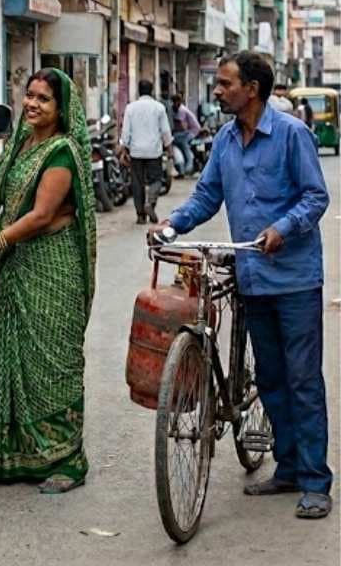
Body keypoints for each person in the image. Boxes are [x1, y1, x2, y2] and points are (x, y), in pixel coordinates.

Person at [154, 52, 331, 520]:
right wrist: (173, 225)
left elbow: (316, 196)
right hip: (251, 279)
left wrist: (283, 228)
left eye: (226, 83)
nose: (217, 90)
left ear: (251, 89)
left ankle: (316, 480)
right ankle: (288, 466)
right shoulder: (226, 142)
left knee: (303, 380)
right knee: (271, 379)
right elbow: (208, 195)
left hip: (294, 279)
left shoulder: (292, 134)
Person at [0, 68, 97, 494]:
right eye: (29, 95)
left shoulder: (61, 151)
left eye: (44, 99)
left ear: (61, 108)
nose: (32, 104)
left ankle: (68, 459)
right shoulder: (22, 145)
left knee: (52, 365)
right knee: (17, 359)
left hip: (53, 268)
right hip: (19, 267)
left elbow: (40, 216)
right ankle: (19, 454)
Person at [118, 79, 173, 224]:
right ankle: (151, 202)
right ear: (152, 91)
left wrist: (123, 148)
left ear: (138, 91)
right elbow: (165, 131)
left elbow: (126, 131)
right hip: (154, 151)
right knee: (156, 180)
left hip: (136, 151)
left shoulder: (130, 108)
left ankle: (140, 215)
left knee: (137, 183)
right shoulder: (159, 107)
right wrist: (170, 149)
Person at [170, 94, 201, 177]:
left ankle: (188, 167)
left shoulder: (181, 110)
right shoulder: (175, 109)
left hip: (193, 131)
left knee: (183, 144)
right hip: (188, 131)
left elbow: (181, 126)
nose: (176, 104)